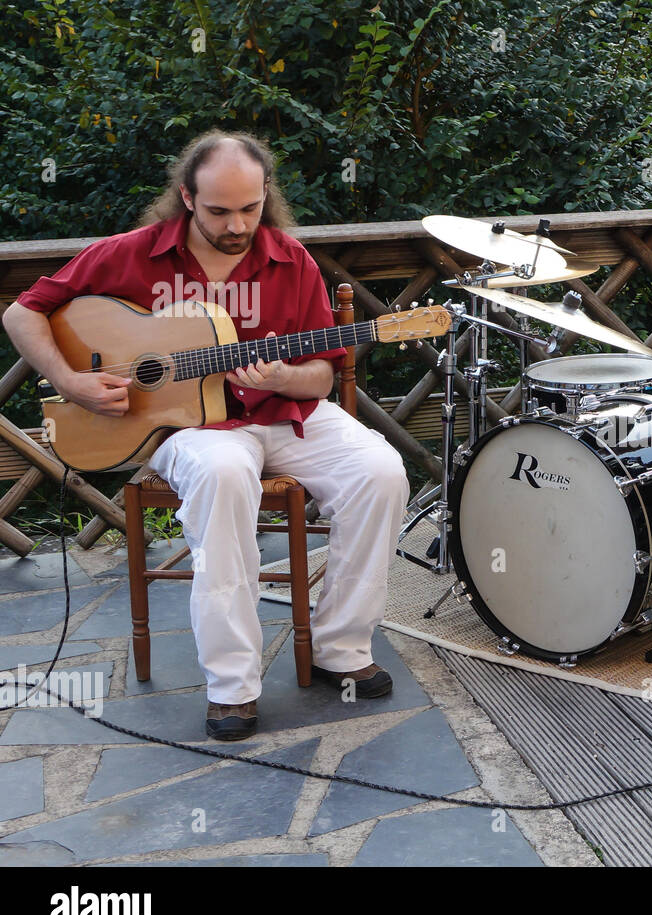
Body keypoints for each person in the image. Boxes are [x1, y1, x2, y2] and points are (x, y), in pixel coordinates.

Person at [2, 131, 409, 741]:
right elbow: (22, 311)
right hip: (192, 425)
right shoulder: (131, 254)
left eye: (249, 208)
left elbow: (321, 374)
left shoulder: (289, 259)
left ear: (265, 194)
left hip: (283, 414)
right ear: (187, 197)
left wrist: (283, 373)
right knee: (223, 476)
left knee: (381, 473)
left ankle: (340, 647)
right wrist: (71, 380)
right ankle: (232, 685)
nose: (237, 224)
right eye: (219, 210)